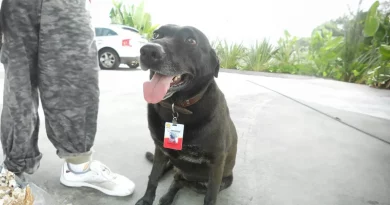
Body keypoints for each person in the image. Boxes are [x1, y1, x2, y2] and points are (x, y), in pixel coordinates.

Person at [0, 0, 135, 196]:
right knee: (18, 88)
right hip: (17, 6)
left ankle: (78, 167)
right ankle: (13, 169)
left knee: (76, 81)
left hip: (69, 4)